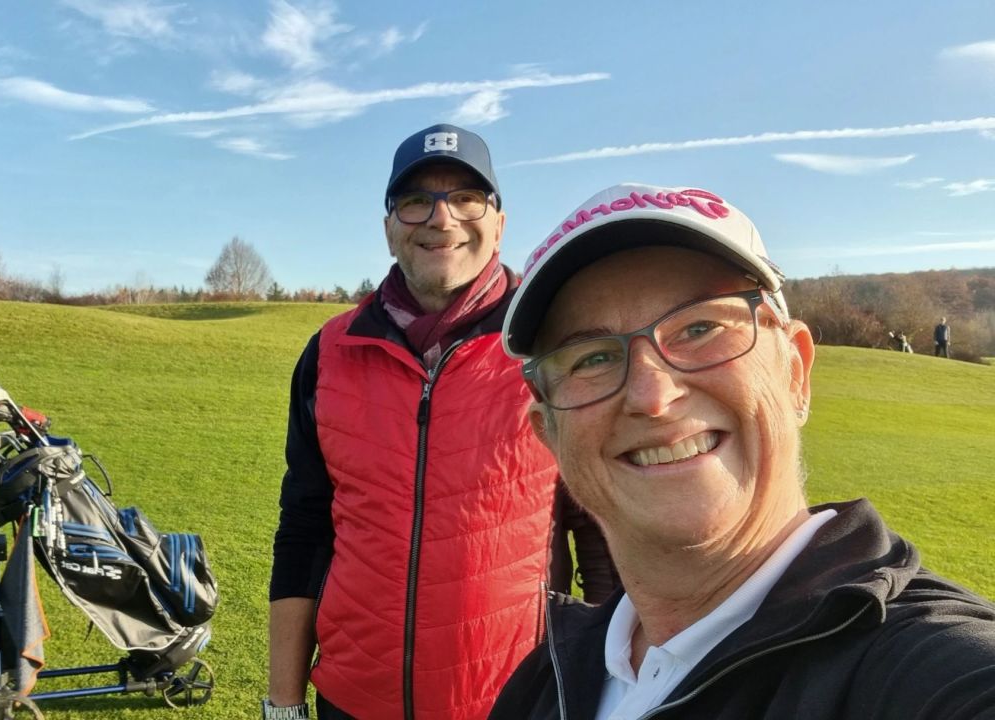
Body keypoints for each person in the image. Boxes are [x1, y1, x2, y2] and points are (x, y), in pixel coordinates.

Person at [489, 183, 995, 719]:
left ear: (795, 373)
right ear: (548, 434)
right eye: (592, 358)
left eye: (699, 328)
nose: (653, 397)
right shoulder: (548, 676)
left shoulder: (926, 669)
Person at [265, 125, 616, 720]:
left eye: (466, 198)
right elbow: (304, 530)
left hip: (514, 701)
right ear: (389, 228)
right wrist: (284, 704)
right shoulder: (328, 353)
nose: (441, 218)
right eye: (415, 200)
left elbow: (604, 531)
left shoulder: (552, 347)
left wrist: (615, 696)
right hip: (351, 701)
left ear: (499, 223)